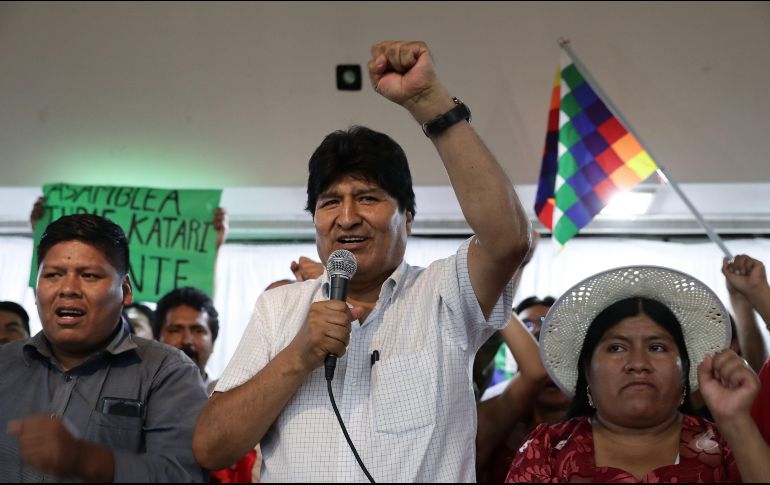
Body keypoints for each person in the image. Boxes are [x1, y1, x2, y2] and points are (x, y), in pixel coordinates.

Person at [193, 40, 531, 482]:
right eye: (330, 202)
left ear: (407, 219)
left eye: (368, 198)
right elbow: (210, 447)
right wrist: (299, 355)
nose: (347, 217)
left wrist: (429, 102)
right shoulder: (279, 310)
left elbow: (508, 240)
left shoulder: (444, 294)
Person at [506, 265, 769, 482]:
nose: (638, 363)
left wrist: (735, 421)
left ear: (685, 368)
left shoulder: (729, 445)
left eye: (657, 347)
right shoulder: (547, 449)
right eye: (616, 347)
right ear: (587, 371)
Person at [0, 214, 208, 482]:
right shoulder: (3, 364)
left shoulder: (167, 372)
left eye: (88, 275)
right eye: (53, 275)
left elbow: (181, 475)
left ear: (125, 290)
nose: (68, 289)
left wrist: (85, 459)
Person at [476, 295, 569, 483]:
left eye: (558, 363)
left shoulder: (603, 430)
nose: (549, 373)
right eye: (526, 325)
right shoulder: (497, 425)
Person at [154, 286, 219, 394]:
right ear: (156, 339)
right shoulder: (139, 394)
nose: (187, 340)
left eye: (198, 330)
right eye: (175, 330)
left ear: (213, 343)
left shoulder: (230, 402)